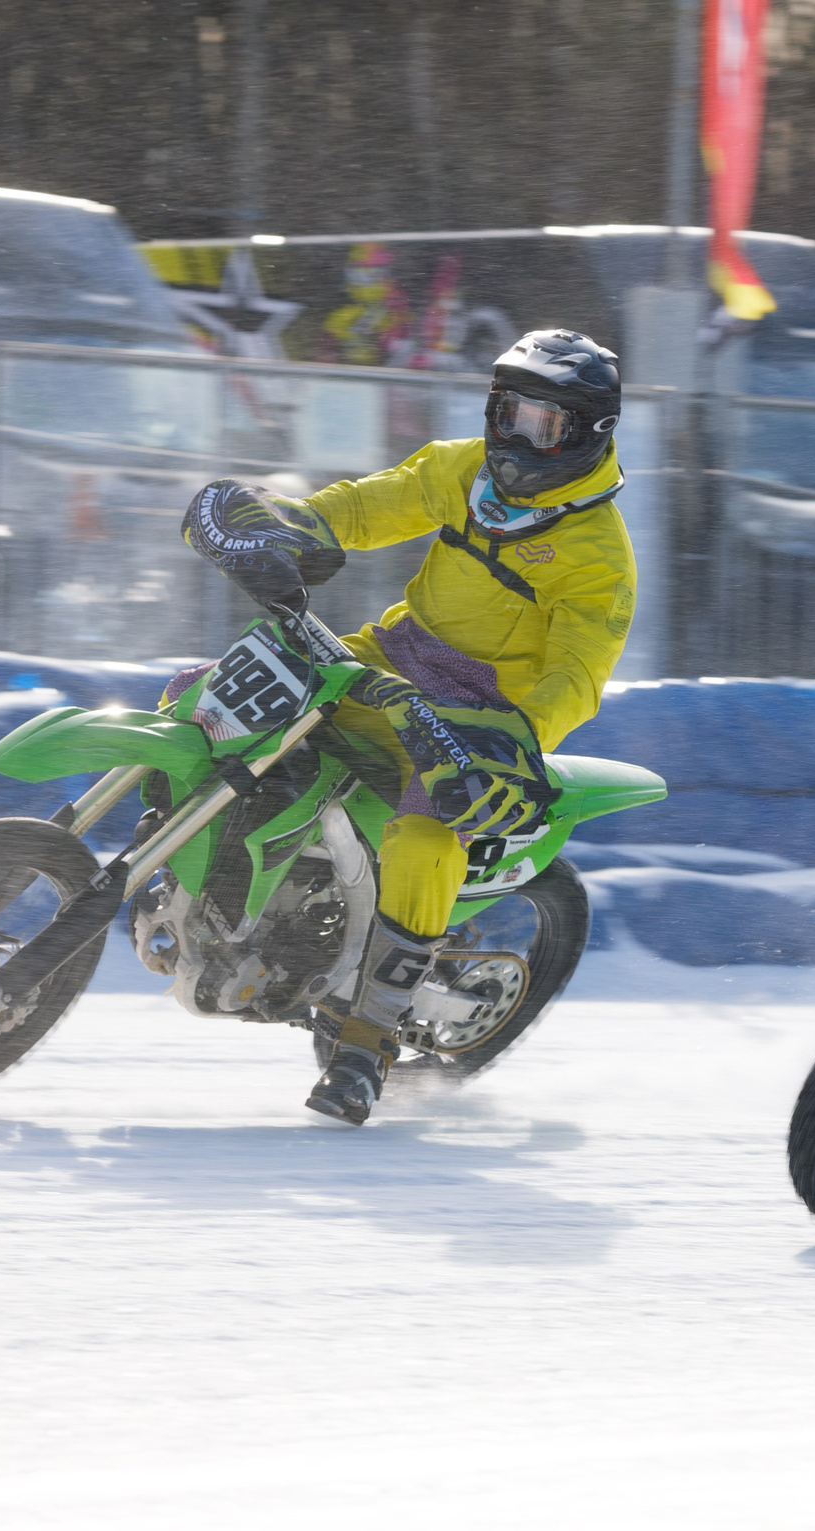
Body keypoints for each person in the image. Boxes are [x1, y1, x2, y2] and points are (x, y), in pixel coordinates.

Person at [183, 328, 636, 1125]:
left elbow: (575, 678)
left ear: (587, 434)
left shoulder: (599, 555)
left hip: (479, 715)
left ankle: (367, 1043)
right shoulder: (462, 469)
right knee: (212, 695)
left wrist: (515, 742)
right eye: (508, 411)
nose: (515, 437)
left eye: (542, 423)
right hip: (388, 657)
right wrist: (289, 526)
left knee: (427, 838)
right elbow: (365, 506)